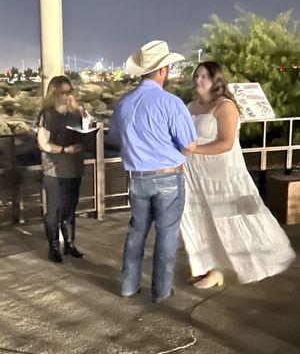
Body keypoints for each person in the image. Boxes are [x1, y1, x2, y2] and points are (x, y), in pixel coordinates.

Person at [181, 61, 296, 288]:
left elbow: (225, 143)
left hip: (221, 176)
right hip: (194, 175)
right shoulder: (190, 106)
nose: (198, 80)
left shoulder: (225, 107)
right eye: (197, 76)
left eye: (204, 76)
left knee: (227, 220)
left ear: (216, 80)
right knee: (198, 220)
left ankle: (224, 267)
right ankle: (204, 267)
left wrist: (195, 149)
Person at [108, 40, 197, 302]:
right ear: (162, 71)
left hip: (137, 179)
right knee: (167, 236)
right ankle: (160, 291)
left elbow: (114, 138)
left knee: (136, 233)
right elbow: (190, 145)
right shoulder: (172, 103)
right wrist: (174, 155)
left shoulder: (123, 104)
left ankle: (128, 285)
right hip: (169, 176)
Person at [37, 75, 88, 263]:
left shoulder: (75, 113)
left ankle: (70, 244)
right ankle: (53, 247)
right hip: (54, 170)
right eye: (64, 92)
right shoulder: (47, 115)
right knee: (54, 211)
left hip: (74, 168)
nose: (68, 96)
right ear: (54, 93)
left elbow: (83, 133)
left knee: (70, 208)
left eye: (70, 91)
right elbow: (43, 143)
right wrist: (65, 150)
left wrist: (85, 121)